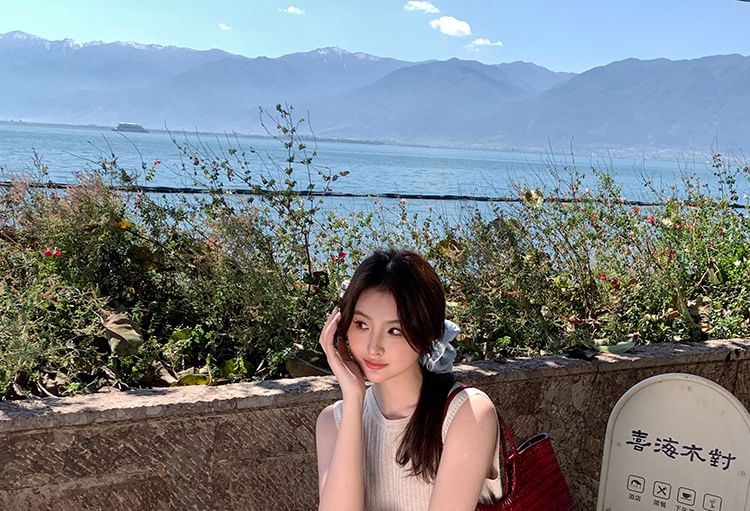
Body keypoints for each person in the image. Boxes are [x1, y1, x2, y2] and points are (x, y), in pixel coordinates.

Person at [316, 249, 502, 511]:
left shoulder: (466, 413)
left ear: (426, 334)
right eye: (362, 325)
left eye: (395, 330)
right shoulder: (332, 422)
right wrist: (354, 400)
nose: (373, 347)